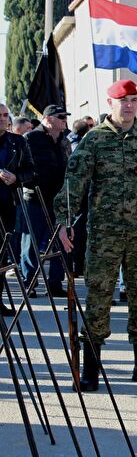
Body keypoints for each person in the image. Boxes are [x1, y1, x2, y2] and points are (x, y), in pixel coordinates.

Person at [55, 80, 137, 392]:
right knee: (98, 300)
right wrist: (64, 220)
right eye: (122, 100)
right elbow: (75, 183)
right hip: (104, 235)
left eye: (133, 100)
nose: (129, 106)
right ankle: (91, 366)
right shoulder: (95, 140)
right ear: (109, 102)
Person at [20, 104, 71, 298]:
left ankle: (55, 283)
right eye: (60, 116)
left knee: (61, 242)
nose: (64, 120)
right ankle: (29, 282)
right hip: (35, 199)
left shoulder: (64, 141)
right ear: (48, 119)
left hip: (58, 200)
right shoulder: (31, 138)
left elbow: (69, 165)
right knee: (31, 242)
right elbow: (24, 166)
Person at [0, 102, 34, 315]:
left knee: (2, 256)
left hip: (7, 206)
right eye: (0, 115)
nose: (3, 118)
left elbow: (31, 170)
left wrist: (17, 178)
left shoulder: (17, 142)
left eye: (6, 115)